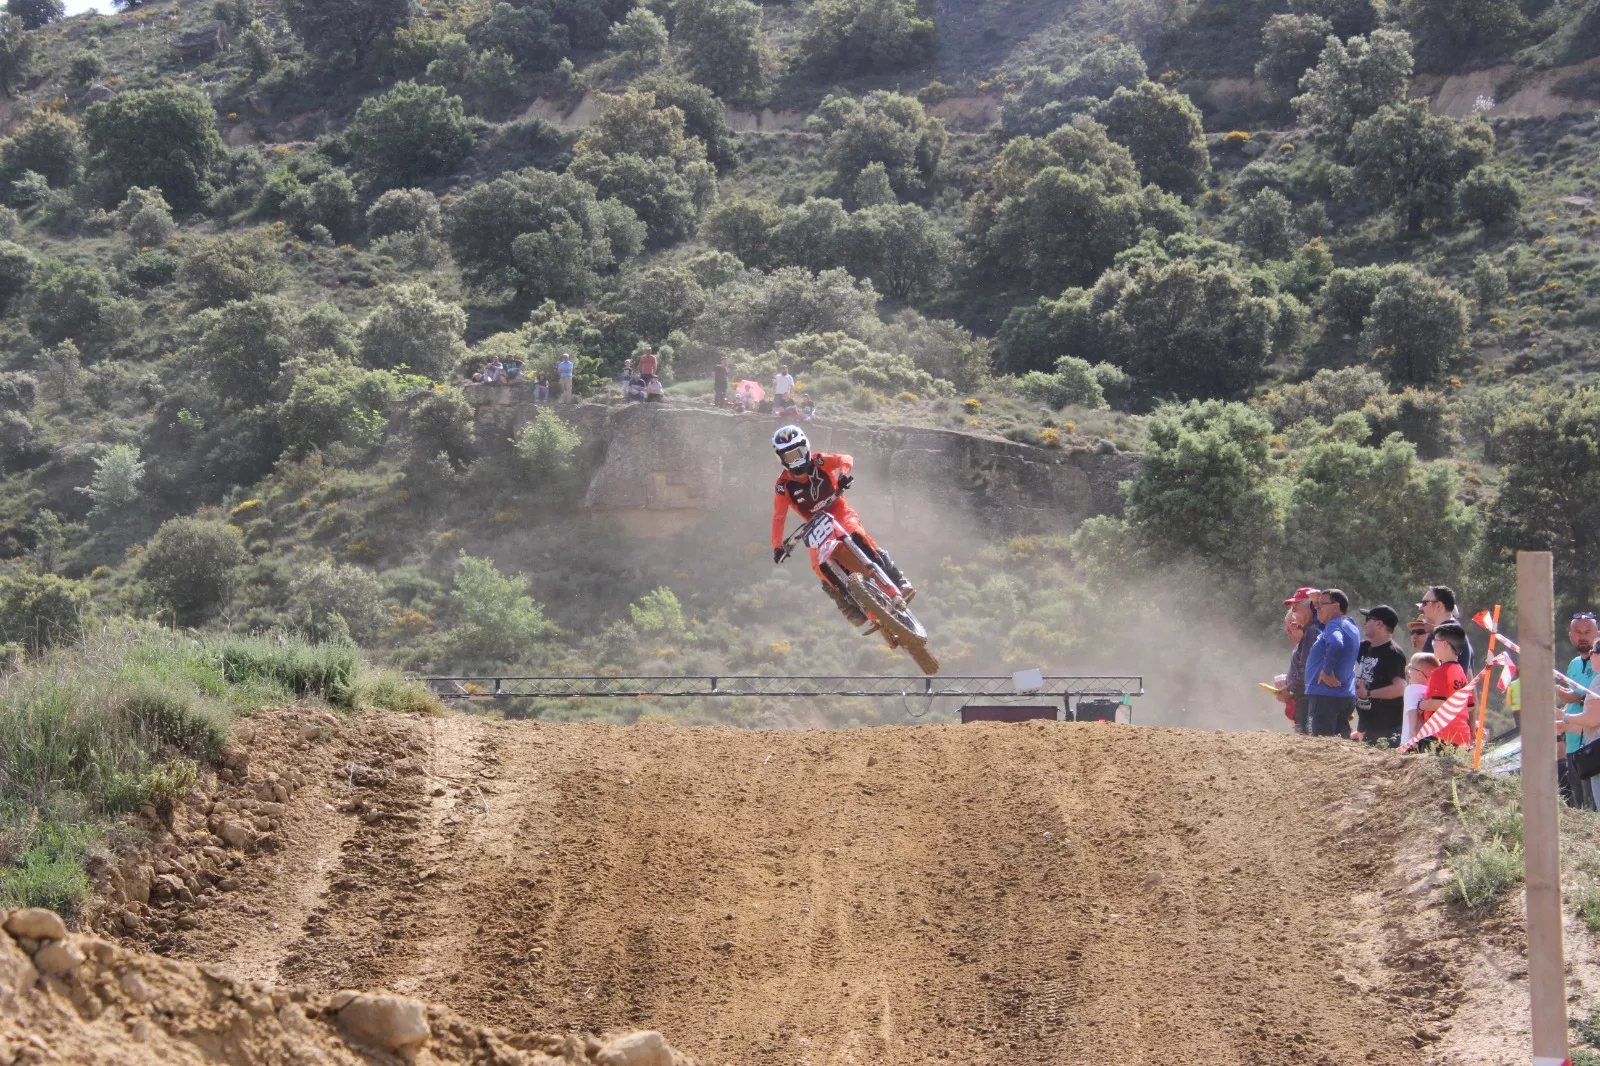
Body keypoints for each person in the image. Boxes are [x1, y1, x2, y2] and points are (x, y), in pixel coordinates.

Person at [769, 425, 914, 627]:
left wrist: (843, 474)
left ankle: (898, 579)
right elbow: (778, 517)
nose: (797, 460)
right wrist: (777, 546)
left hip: (839, 511)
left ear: (806, 448)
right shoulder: (782, 486)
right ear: (781, 459)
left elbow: (844, 459)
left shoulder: (819, 461)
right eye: (790, 457)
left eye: (799, 453)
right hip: (815, 525)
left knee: (857, 534)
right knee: (818, 566)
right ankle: (849, 605)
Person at [1305, 588, 1361, 738]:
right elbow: (1320, 624)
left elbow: (1336, 643)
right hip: (1343, 696)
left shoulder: (1333, 625)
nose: (1317, 607)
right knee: (1339, 749)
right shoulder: (1349, 625)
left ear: (1335, 606)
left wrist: (1327, 671)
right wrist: (1313, 603)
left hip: (1324, 696)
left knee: (1319, 746)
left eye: (1321, 604)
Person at [1556, 612, 1599, 805]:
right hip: (1573, 743)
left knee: (1593, 806)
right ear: (1570, 635)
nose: (1583, 636)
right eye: (1578, 632)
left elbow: (1593, 706)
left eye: (1588, 631)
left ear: (1597, 633)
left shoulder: (1598, 668)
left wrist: (1572, 699)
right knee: (1578, 805)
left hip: (1593, 746)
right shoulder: (1573, 664)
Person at [1355, 605, 1409, 747]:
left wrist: (1368, 693)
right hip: (1368, 725)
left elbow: (1400, 688)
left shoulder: (1393, 653)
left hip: (1388, 727)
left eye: (1368, 619)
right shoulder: (1365, 647)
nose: (1364, 623)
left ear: (1379, 624)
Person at [1418, 622, 1473, 747]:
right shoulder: (1460, 672)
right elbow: (1469, 705)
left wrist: (1420, 705)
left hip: (1441, 735)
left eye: (1434, 641)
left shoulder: (1440, 672)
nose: (1432, 645)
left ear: (1444, 644)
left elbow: (1439, 703)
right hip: (1461, 736)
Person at [1281, 587, 1322, 735]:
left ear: (1308, 606)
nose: (1294, 614)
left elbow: (1306, 669)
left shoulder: (1312, 632)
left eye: (1296, 609)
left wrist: (1289, 689)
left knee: (1309, 742)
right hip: (1308, 698)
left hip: (1310, 698)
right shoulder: (1311, 631)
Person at [1419, 586, 1474, 675]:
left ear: (1438, 606)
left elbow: (1424, 675)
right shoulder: (1459, 633)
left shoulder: (1439, 635)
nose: (1420, 608)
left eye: (1425, 603)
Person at [1400, 653, 1439, 749]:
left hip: (1410, 741)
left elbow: (1412, 713)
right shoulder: (1432, 692)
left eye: (1410, 668)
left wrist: (1413, 736)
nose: (1408, 671)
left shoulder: (1412, 689)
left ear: (1420, 674)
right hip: (1428, 738)